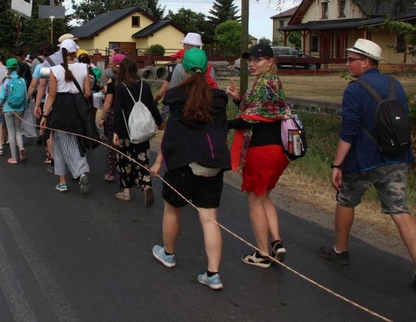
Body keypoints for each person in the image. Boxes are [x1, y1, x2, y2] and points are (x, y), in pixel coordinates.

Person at [318, 38, 416, 291]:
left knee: (346, 200)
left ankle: (340, 250)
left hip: (364, 160)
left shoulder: (355, 89)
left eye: (352, 60)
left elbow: (348, 131)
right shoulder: (396, 85)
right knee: (401, 210)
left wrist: (337, 164)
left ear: (366, 62)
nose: (347, 63)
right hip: (395, 158)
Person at [150, 48, 231, 290]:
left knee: (172, 210)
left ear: (182, 68)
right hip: (213, 164)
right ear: (208, 69)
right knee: (210, 220)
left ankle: (169, 253)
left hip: (184, 162)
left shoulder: (175, 97)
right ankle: (213, 274)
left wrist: (158, 162)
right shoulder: (218, 98)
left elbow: (172, 133)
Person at [226, 43, 291, 268]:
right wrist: (237, 99)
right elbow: (257, 112)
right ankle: (277, 242)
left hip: (261, 150)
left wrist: (221, 124)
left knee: (254, 199)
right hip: (277, 150)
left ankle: (263, 254)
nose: (252, 64)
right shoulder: (270, 83)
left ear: (270, 62)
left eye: (258, 60)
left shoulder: (265, 84)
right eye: (250, 60)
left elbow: (249, 119)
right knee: (264, 196)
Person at [40, 39, 92, 195]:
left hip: (59, 109)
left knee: (59, 143)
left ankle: (67, 179)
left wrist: (45, 114)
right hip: (76, 109)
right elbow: (88, 93)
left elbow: (52, 95)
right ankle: (80, 172)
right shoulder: (84, 67)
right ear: (74, 52)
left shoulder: (54, 70)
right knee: (75, 140)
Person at [112, 57, 163, 205]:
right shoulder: (145, 86)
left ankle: (126, 192)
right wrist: (160, 122)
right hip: (142, 131)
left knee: (124, 161)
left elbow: (118, 111)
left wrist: (115, 131)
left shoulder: (120, 88)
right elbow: (152, 107)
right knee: (142, 161)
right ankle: (146, 185)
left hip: (125, 132)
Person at [98, 53, 126, 182]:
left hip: (114, 114)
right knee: (126, 145)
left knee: (112, 144)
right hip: (128, 114)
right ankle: (126, 172)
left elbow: (108, 101)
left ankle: (111, 173)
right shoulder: (132, 81)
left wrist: (102, 117)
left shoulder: (112, 81)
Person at [0, 58, 29, 164]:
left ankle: (13, 157)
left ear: (7, 68)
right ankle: (21, 147)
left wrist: (2, 103)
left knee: (11, 132)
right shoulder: (22, 80)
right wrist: (25, 107)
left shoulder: (5, 81)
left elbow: (2, 97)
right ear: (17, 68)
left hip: (8, 109)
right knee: (18, 130)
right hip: (20, 108)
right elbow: (26, 96)